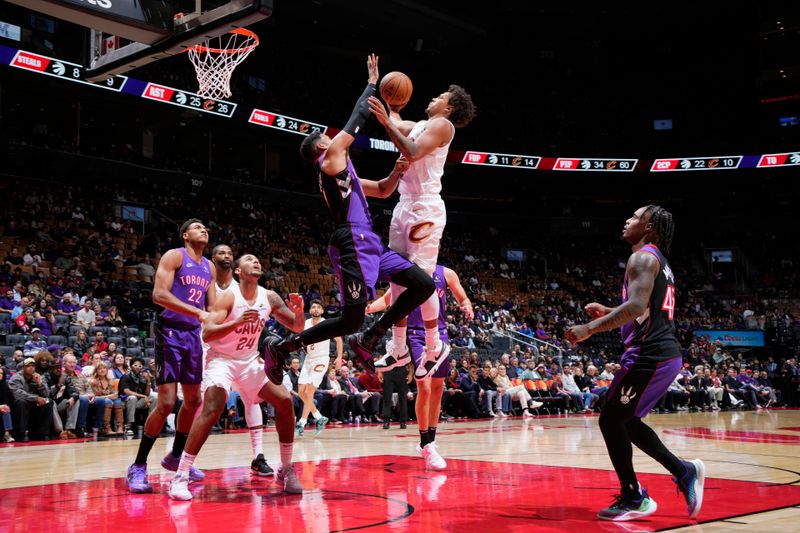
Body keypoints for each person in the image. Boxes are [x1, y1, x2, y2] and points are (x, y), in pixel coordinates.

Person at [275, 53, 435, 382]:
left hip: (369, 241)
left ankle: (371, 337)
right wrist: (372, 84)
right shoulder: (330, 159)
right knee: (349, 320)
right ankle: (284, 347)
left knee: (423, 285)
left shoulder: (342, 170)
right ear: (322, 145)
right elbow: (357, 117)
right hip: (351, 239)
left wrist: (396, 171)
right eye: (327, 136)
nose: (333, 137)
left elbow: (381, 190)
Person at [565, 205, 704, 521]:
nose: (626, 221)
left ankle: (634, 496)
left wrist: (589, 329)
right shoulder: (659, 260)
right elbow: (642, 307)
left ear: (650, 226)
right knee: (624, 420)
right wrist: (611, 309)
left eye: (635, 217)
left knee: (611, 420)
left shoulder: (641, 258)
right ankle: (683, 471)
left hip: (650, 355)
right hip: (658, 353)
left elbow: (638, 305)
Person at [168, 254, 305, 500]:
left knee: (285, 401)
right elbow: (208, 333)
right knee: (213, 407)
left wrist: (299, 313)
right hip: (221, 359)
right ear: (239, 271)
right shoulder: (229, 297)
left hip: (249, 360)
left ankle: (286, 469)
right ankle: (180, 476)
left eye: (257, 259)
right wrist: (237, 322)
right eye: (250, 259)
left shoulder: (269, 297)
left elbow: (296, 327)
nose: (256, 261)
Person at [368, 79, 476, 381]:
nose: (433, 96)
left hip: (425, 208)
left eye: (440, 94)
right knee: (398, 278)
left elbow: (412, 151)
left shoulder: (442, 125)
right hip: (405, 204)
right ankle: (399, 347)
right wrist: (385, 96)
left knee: (421, 279)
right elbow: (398, 123)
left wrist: (386, 124)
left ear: (449, 106)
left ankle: (433, 347)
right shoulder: (423, 124)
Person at [126, 219, 217, 494]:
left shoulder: (209, 267)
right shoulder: (175, 255)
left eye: (206, 228)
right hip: (169, 332)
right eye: (198, 227)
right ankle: (138, 466)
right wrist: (196, 311)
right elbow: (158, 294)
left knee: (193, 401)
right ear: (185, 234)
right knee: (166, 403)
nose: (204, 230)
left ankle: (176, 456)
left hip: (193, 336)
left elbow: (212, 308)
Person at [368, 264, 474, 469]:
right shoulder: (408, 271)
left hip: (439, 333)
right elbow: (387, 299)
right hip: (416, 334)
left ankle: (430, 441)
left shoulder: (447, 273)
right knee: (423, 387)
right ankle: (425, 442)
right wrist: (370, 307)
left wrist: (466, 304)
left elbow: (463, 297)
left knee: (437, 389)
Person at [296, 299, 343, 436]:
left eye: (318, 307)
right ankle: (319, 417)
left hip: (321, 359)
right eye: (313, 307)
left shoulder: (327, 324)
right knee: (301, 392)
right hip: (308, 359)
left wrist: (339, 358)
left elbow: (339, 340)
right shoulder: (306, 324)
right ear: (310, 310)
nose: (316, 309)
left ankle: (302, 422)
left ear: (322, 311)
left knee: (309, 392)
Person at [8, 357, 51, 441]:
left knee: (48, 401)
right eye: (28, 366)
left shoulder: (39, 377)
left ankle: (43, 433)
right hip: (19, 405)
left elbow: (46, 394)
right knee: (21, 402)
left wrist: (39, 384)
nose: (31, 368)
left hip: (34, 404)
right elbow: (18, 394)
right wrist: (35, 398)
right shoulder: (16, 378)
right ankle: (21, 433)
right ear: (23, 368)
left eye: (33, 366)